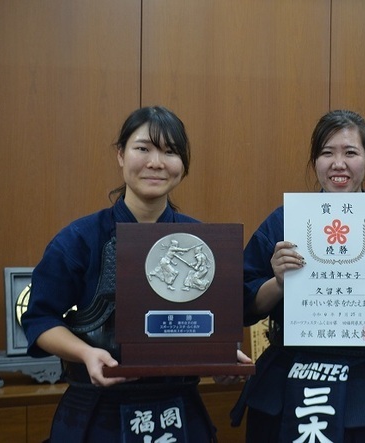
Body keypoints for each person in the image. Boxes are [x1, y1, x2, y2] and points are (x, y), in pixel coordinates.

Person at [22, 106, 251, 443]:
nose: (156, 162)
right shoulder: (79, 239)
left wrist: (219, 357)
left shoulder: (202, 242)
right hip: (98, 413)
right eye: (143, 148)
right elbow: (39, 320)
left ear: (183, 164)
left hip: (180, 412)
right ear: (120, 154)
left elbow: (211, 320)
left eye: (170, 151)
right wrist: (86, 353)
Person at [230, 109, 365, 442]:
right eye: (327, 153)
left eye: (350, 153)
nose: (338, 163)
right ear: (315, 161)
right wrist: (278, 284)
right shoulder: (284, 222)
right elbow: (242, 300)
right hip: (291, 371)